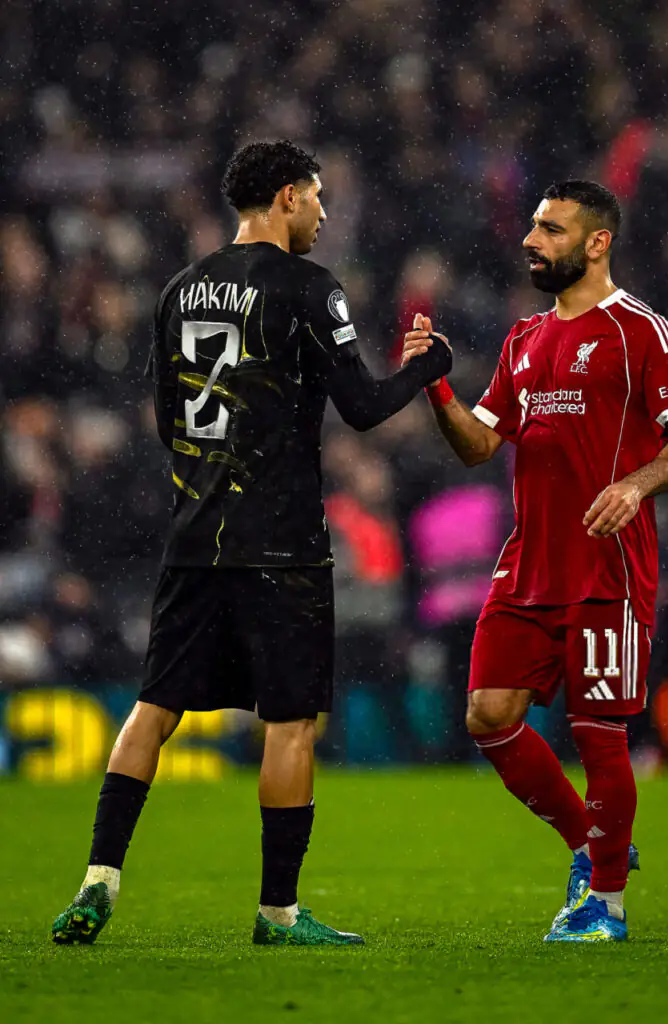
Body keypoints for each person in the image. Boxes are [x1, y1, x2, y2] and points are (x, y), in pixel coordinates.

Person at [51, 140, 452, 948]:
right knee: (290, 721)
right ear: (283, 198)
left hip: (195, 535)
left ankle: (99, 880)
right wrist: (429, 367)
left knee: (153, 708)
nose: (323, 212)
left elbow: (170, 422)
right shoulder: (308, 288)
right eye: (315, 196)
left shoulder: (178, 288)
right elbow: (366, 407)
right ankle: (278, 913)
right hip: (281, 542)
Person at [401, 180, 668, 942]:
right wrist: (434, 385)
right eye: (534, 226)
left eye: (551, 229)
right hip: (528, 566)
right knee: (488, 714)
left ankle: (605, 905)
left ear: (597, 242)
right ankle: (592, 845)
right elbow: (479, 445)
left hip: (608, 565)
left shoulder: (642, 330)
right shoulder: (523, 339)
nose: (531, 240)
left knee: (598, 733)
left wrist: (637, 486)